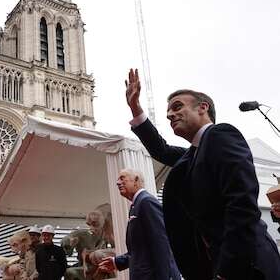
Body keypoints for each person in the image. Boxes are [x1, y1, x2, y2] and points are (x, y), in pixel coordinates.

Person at [125, 68, 280, 280]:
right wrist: (135, 108)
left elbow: (242, 203)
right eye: (168, 112)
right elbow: (161, 150)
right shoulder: (192, 155)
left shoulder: (220, 135)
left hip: (246, 265)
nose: (170, 114)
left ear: (203, 108)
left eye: (177, 106)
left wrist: (227, 270)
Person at [98, 168, 180, 280]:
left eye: (122, 178)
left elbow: (161, 243)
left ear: (136, 181)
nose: (117, 183)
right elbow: (140, 250)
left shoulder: (146, 202)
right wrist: (117, 262)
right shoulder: (135, 206)